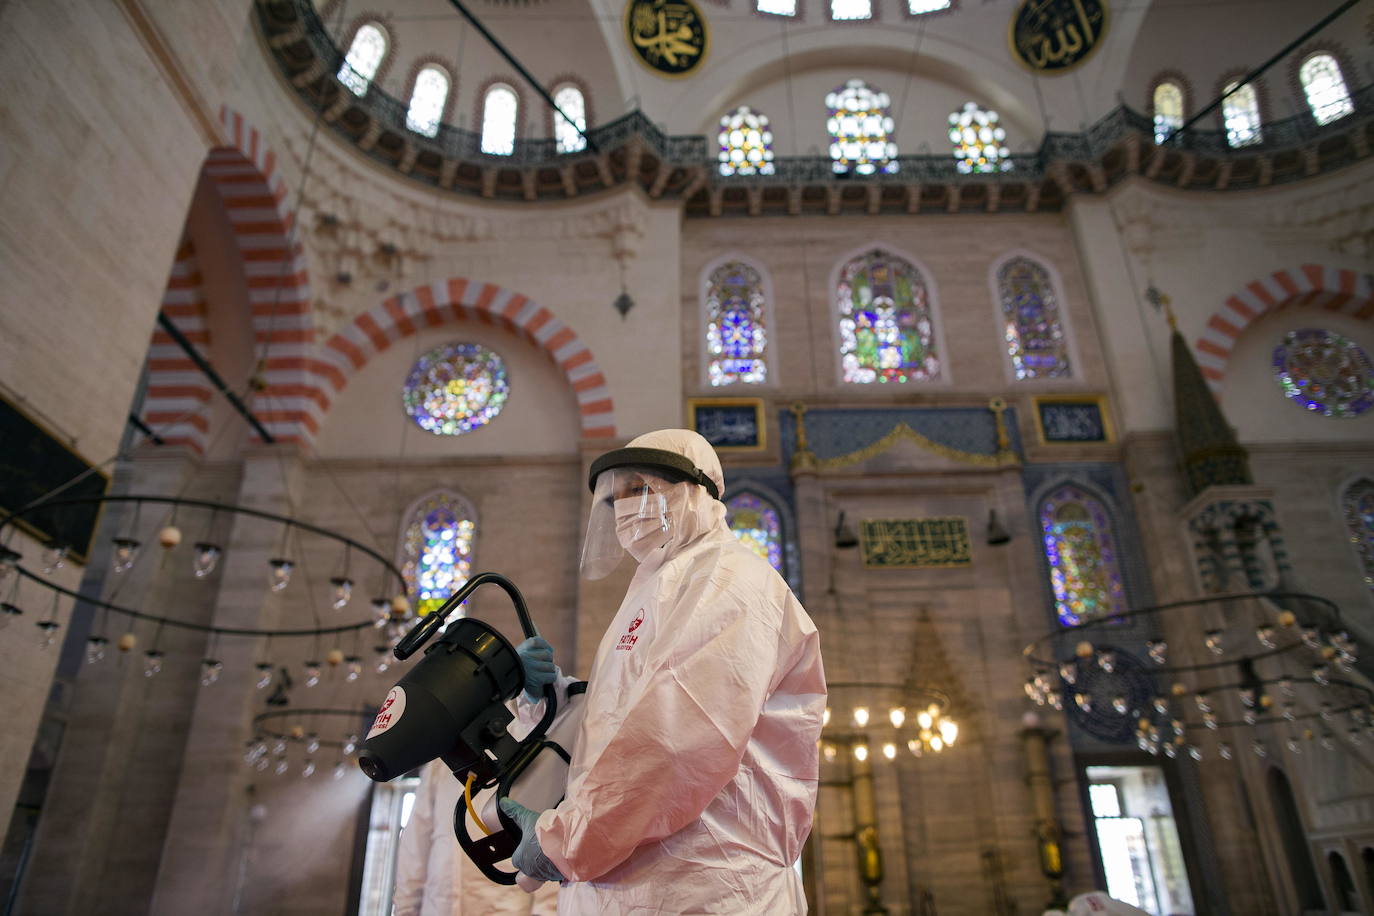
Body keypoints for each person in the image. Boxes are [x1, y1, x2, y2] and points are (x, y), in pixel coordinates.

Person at [500, 428, 827, 914]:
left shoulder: (730, 580)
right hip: (627, 886)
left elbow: (677, 738)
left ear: (695, 491)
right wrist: (548, 700)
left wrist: (565, 841)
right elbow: (617, 725)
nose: (627, 507)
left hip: (705, 886)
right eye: (616, 497)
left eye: (641, 489)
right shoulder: (652, 590)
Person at [393, 759, 560, 916]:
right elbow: (415, 847)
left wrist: (546, 910)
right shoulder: (440, 765)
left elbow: (543, 836)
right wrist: (405, 910)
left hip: (503, 908)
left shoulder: (524, 754)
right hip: (439, 908)